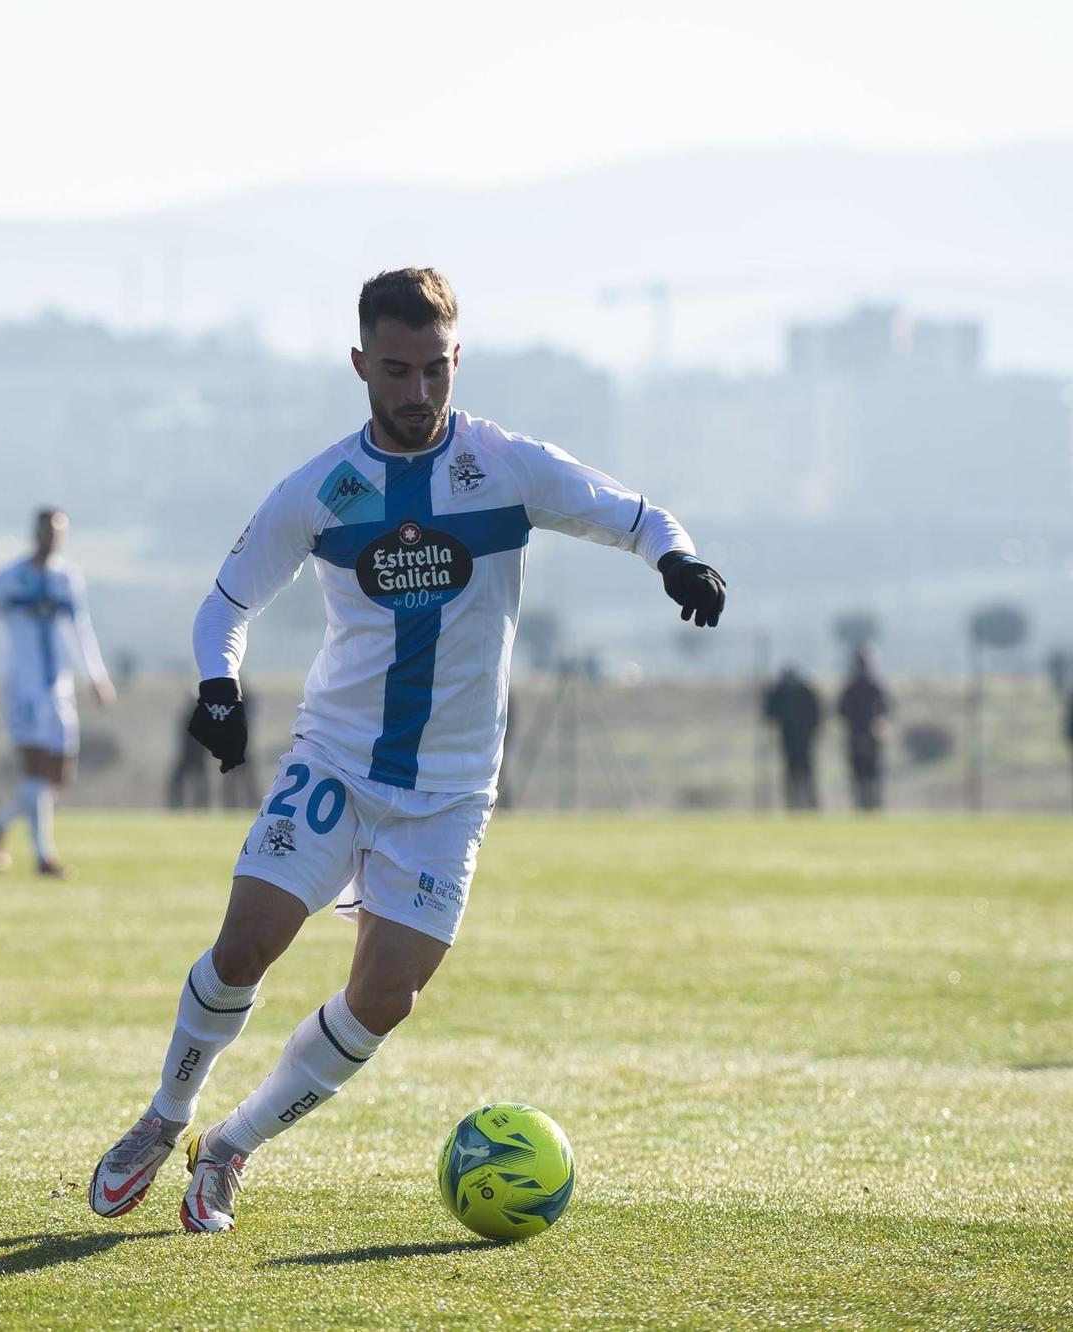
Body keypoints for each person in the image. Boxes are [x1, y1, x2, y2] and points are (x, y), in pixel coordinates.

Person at [87, 267, 725, 1233]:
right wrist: (220, 689)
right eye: (397, 370)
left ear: (457, 359)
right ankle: (164, 1115)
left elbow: (639, 517)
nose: (419, 392)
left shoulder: (507, 466)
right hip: (336, 763)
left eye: (436, 369)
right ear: (360, 366)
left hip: (453, 792)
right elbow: (227, 604)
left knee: (383, 1000)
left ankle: (231, 1148)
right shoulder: (324, 488)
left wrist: (677, 560)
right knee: (245, 944)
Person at [0, 508, 114, 877]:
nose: (51, 538)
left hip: (58, 686)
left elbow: (80, 630)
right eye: (46, 531)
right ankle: (44, 857)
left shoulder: (67, 579)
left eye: (58, 532)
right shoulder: (11, 578)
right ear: (35, 533)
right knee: (36, 770)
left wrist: (96, 677)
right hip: (23, 688)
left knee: (57, 775)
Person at [761, 667, 823, 810]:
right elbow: (770, 713)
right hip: (788, 740)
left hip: (804, 740)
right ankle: (793, 804)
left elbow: (816, 715)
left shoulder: (806, 693)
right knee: (791, 774)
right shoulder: (781, 693)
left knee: (806, 773)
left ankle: (810, 804)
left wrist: (812, 733)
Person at [838, 648, 888, 812]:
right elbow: (842, 710)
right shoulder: (856, 687)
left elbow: (885, 709)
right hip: (857, 734)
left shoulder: (871, 687)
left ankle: (871, 804)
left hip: (869, 735)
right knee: (861, 774)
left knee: (870, 774)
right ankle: (864, 805)